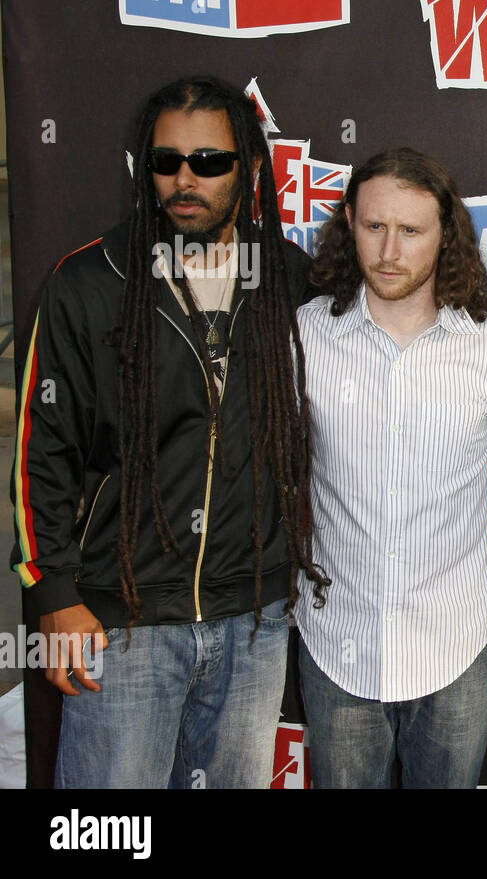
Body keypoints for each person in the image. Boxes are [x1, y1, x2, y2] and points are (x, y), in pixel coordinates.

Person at [13, 75, 326, 788]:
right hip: (123, 620)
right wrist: (54, 594)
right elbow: (42, 451)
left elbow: (393, 311)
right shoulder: (90, 281)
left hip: (253, 615)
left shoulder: (285, 276)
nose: (185, 179)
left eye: (209, 161)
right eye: (166, 161)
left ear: (248, 168)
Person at [294, 148, 487, 788]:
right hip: (337, 640)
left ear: (445, 235)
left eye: (412, 230)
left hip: (456, 641)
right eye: (374, 227)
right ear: (349, 222)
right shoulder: (304, 338)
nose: (389, 250)